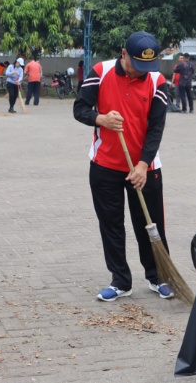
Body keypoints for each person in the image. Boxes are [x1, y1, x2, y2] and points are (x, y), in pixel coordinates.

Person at [73, 31, 174, 302]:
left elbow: (156, 127)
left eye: (146, 66)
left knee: (150, 223)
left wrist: (142, 165)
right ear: (124, 53)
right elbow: (80, 108)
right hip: (105, 165)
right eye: (136, 64)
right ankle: (120, 281)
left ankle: (157, 277)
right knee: (111, 224)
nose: (141, 71)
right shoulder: (100, 72)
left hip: (145, 168)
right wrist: (101, 119)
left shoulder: (156, 80)